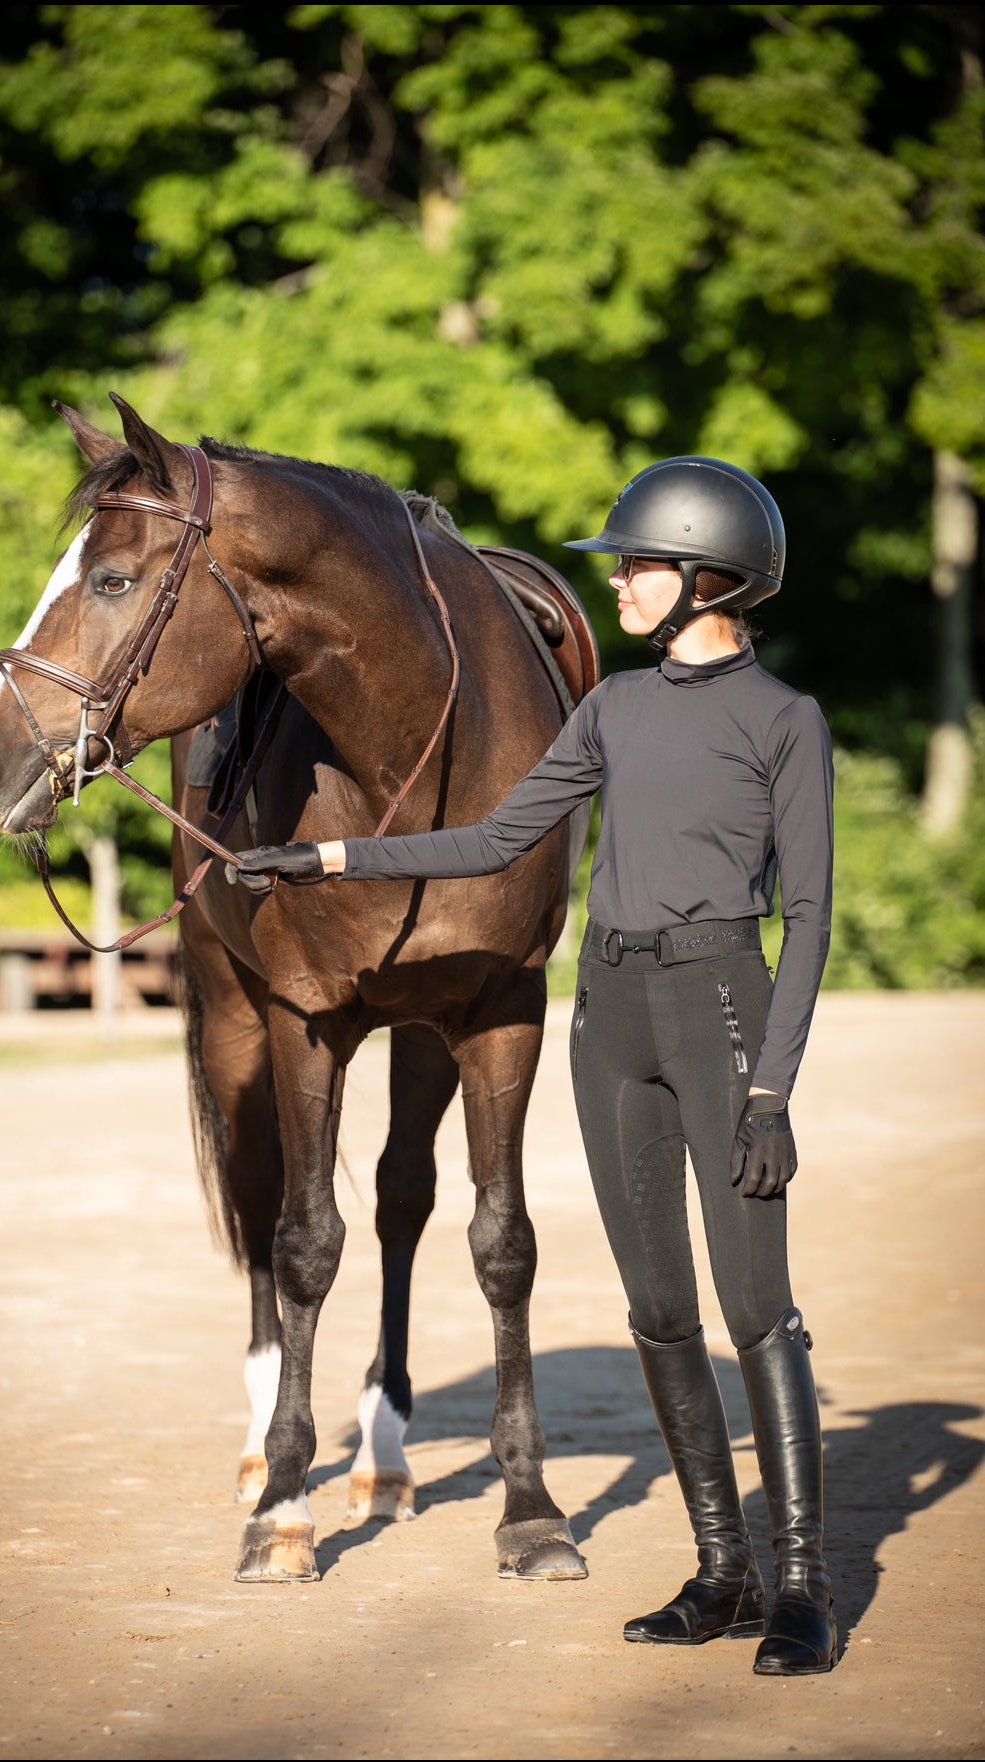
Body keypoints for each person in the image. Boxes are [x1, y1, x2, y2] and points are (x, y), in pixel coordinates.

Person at [228, 456, 838, 1678]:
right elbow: (503, 833)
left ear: (711, 576)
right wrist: (334, 860)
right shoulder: (608, 707)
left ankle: (802, 1584)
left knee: (755, 1304)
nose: (618, 581)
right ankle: (719, 1570)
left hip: (723, 1001)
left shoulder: (787, 722)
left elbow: (810, 913)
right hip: (611, 1009)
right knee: (658, 1308)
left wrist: (773, 1084)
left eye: (642, 563)